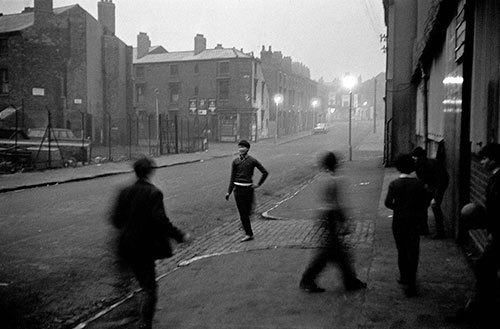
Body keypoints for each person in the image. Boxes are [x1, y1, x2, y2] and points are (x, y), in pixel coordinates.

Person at [110, 157, 190, 329]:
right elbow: (160, 221)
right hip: (143, 247)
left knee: (130, 283)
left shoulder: (125, 191)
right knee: (149, 288)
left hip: (125, 246)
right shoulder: (153, 193)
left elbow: (116, 220)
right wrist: (180, 235)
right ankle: (144, 324)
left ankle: (130, 313)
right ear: (150, 172)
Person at [299, 151, 367, 293]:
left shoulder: (322, 178)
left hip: (325, 216)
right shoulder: (333, 180)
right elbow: (336, 203)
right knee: (330, 253)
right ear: (334, 164)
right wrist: (344, 221)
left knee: (336, 253)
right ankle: (308, 280)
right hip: (331, 216)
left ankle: (349, 280)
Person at [449, 143, 500, 325]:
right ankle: (485, 306)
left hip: (498, 236)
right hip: (495, 234)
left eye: (485, 159)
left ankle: (480, 309)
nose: (481, 163)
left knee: (484, 268)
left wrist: (493, 232)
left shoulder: (499, 181)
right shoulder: (495, 179)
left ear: (494, 159)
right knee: (485, 268)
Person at [384, 154, 429, 297]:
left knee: (402, 250)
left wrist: (398, 208)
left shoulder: (394, 184)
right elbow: (425, 201)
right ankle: (411, 282)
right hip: (414, 222)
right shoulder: (419, 184)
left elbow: (387, 202)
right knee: (413, 250)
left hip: (399, 222)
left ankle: (404, 276)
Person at [225, 140, 268, 242]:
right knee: (243, 213)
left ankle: (245, 225)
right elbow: (232, 177)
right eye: (239, 147)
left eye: (243, 147)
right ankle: (249, 234)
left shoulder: (252, 161)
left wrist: (258, 184)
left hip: (248, 189)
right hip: (238, 190)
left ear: (247, 149)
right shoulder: (235, 162)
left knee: (248, 211)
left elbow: (264, 172)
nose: (241, 149)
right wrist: (229, 192)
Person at [411, 146, 449, 238]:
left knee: (435, 206)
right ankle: (424, 228)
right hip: (431, 185)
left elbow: (441, 182)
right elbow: (422, 180)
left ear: (421, 157)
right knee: (422, 205)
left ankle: (440, 232)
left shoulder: (433, 164)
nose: (414, 159)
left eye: (415, 157)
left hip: (439, 184)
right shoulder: (419, 165)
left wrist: (435, 198)